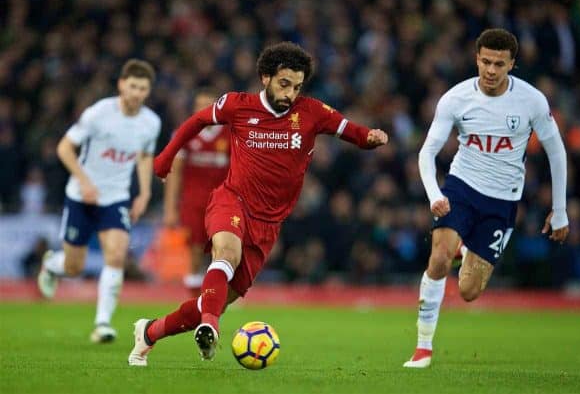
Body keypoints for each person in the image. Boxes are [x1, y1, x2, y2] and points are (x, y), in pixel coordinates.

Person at [128, 41, 388, 366]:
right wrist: (166, 158)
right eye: (284, 84)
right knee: (226, 254)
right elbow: (196, 122)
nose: (290, 94)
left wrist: (371, 138)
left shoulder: (312, 112)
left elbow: (352, 131)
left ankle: (150, 332)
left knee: (214, 300)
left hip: (269, 223)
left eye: (296, 86)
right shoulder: (237, 105)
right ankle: (211, 327)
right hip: (231, 200)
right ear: (265, 77)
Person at [403, 28, 569, 368]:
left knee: (468, 291)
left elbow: (557, 152)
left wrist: (560, 209)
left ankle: (464, 251)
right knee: (438, 257)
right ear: (476, 59)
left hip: (502, 201)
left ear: (512, 65)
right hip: (461, 187)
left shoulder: (532, 101)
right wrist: (435, 195)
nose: (491, 70)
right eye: (485, 62)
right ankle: (423, 347)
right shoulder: (455, 99)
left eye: (499, 64)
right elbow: (426, 153)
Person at [37, 59, 161, 343]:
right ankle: (51, 265)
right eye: (132, 86)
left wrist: (144, 193)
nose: (137, 93)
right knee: (74, 267)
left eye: (143, 88)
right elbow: (65, 148)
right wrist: (84, 180)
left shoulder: (151, 122)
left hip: (116, 198)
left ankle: (102, 323)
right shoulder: (98, 114)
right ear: (121, 84)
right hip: (81, 196)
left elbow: (144, 156)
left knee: (116, 255)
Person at [162, 89, 231, 296]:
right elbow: (175, 173)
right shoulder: (184, 132)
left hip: (221, 201)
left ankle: (216, 292)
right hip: (193, 202)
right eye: (199, 105)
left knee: (221, 246)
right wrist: (169, 208)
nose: (204, 109)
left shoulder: (230, 134)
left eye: (208, 105)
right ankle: (194, 295)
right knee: (195, 248)